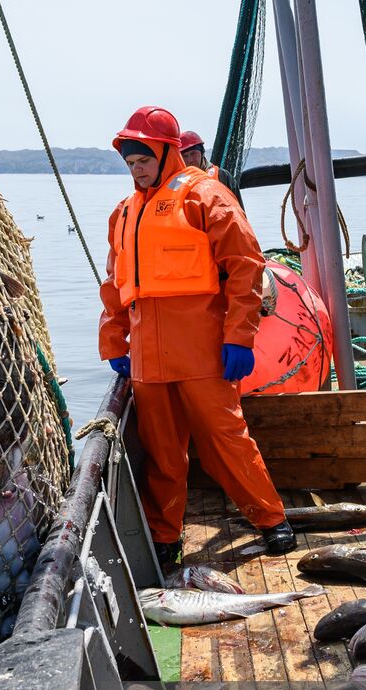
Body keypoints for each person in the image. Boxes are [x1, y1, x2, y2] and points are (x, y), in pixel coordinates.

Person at [99, 106, 296, 564]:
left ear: (167, 151)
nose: (137, 168)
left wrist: (240, 337)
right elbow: (115, 286)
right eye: (130, 162)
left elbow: (247, 268)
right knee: (162, 455)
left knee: (226, 438)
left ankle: (271, 519)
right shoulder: (123, 214)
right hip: (148, 359)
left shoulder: (207, 197)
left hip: (203, 351)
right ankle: (166, 538)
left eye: (143, 158)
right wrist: (114, 343)